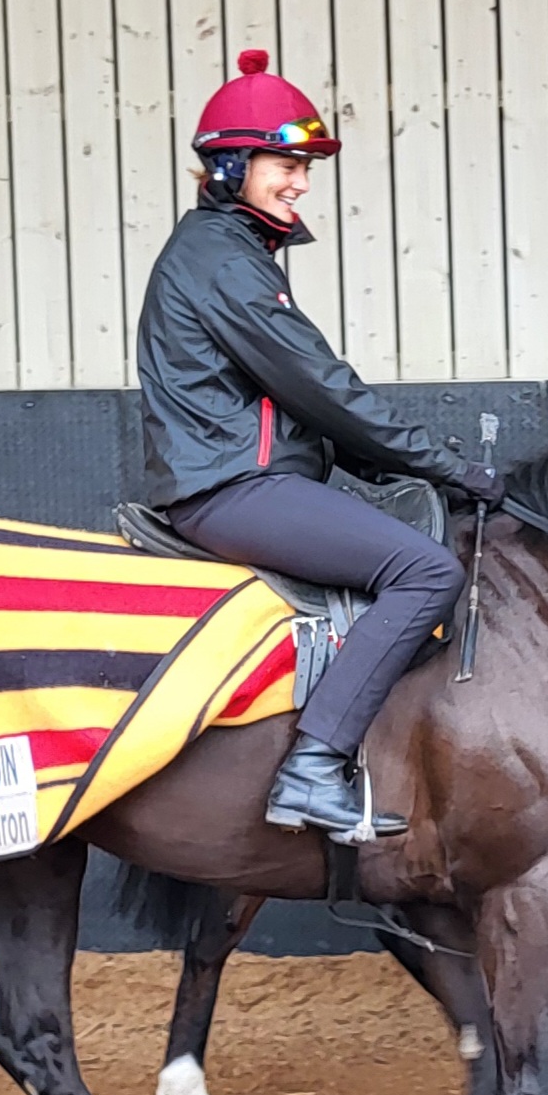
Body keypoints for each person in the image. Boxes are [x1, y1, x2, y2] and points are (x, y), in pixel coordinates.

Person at [137, 50, 501, 843]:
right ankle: (312, 769)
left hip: (246, 476)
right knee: (425, 570)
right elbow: (321, 384)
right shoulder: (220, 260)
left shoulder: (232, 254)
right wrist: (439, 463)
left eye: (305, 166)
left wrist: (383, 462)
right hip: (233, 487)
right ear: (232, 165)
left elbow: (294, 403)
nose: (300, 181)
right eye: (285, 162)